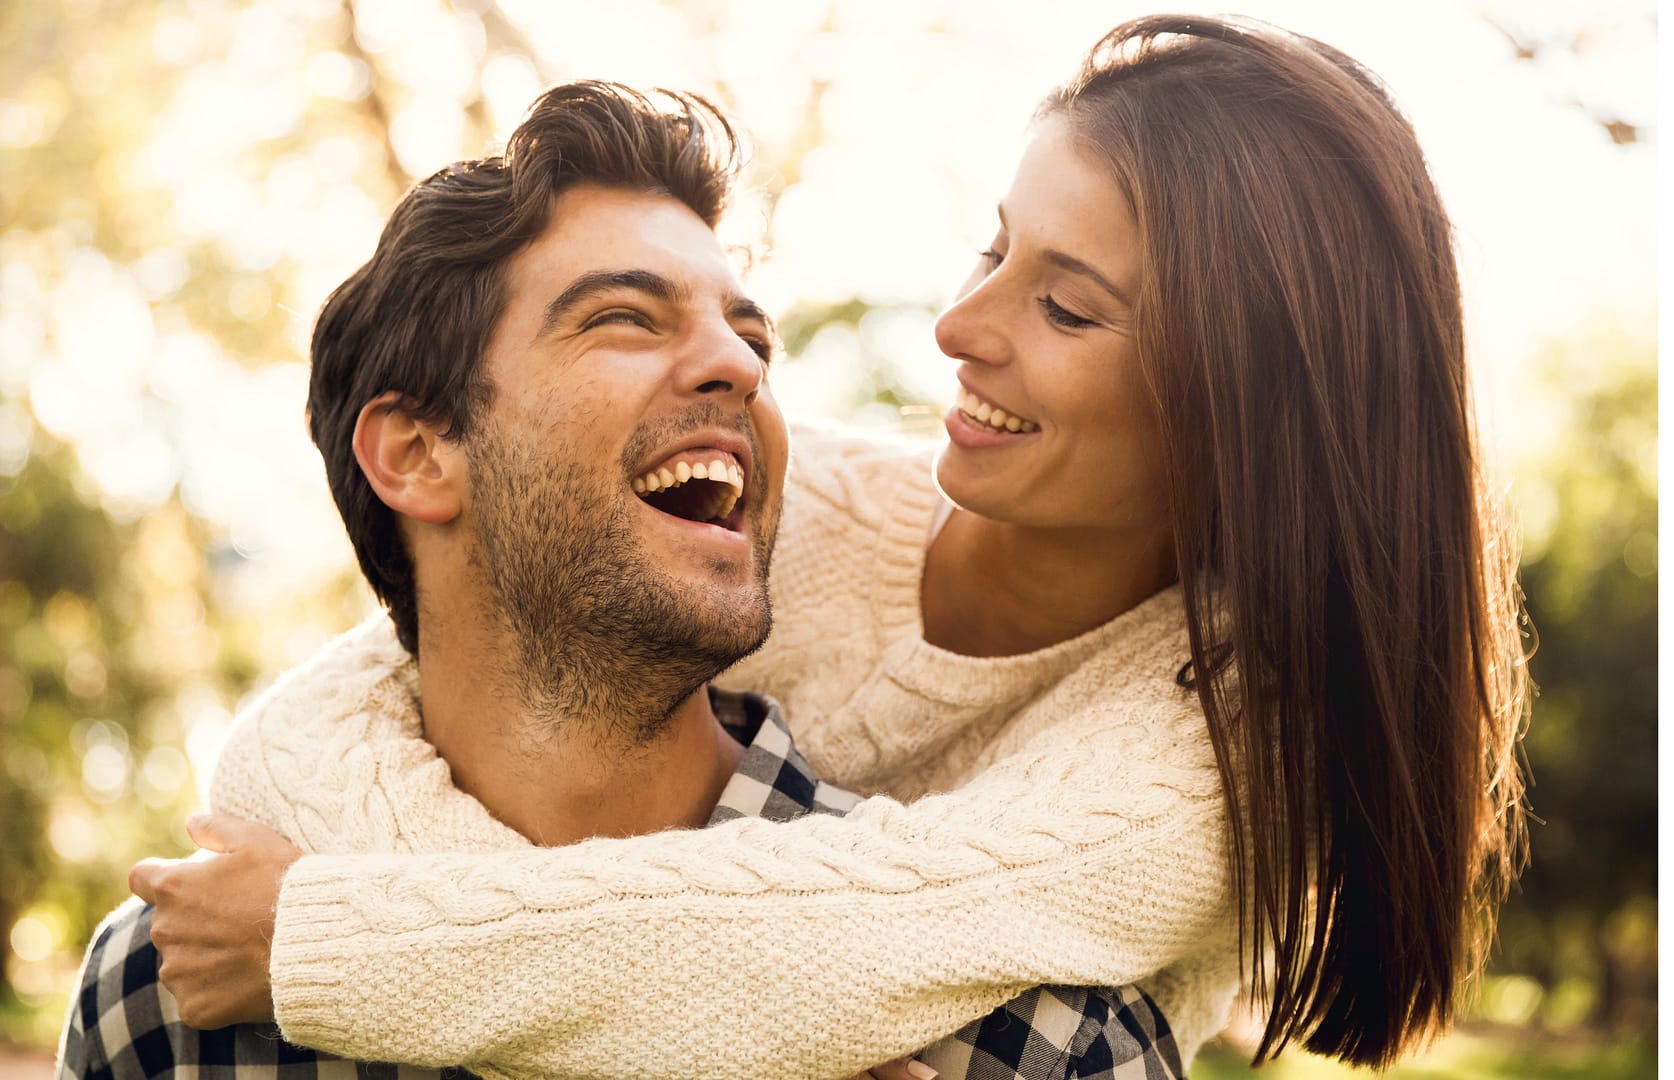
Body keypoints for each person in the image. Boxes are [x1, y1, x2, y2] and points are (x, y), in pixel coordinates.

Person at [124, 13, 1530, 1079]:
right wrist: (295, 928)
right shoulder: (778, 514)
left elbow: (845, 942)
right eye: (994, 252)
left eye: (1070, 308)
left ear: (1238, 415)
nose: (958, 329)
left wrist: (328, 944)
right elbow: (373, 691)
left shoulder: (1209, 755)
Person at [57, 81, 1181, 1080]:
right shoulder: (171, 1001)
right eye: (626, 318)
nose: (741, 364)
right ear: (415, 454)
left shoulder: (1036, 1039)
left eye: (752, 337)